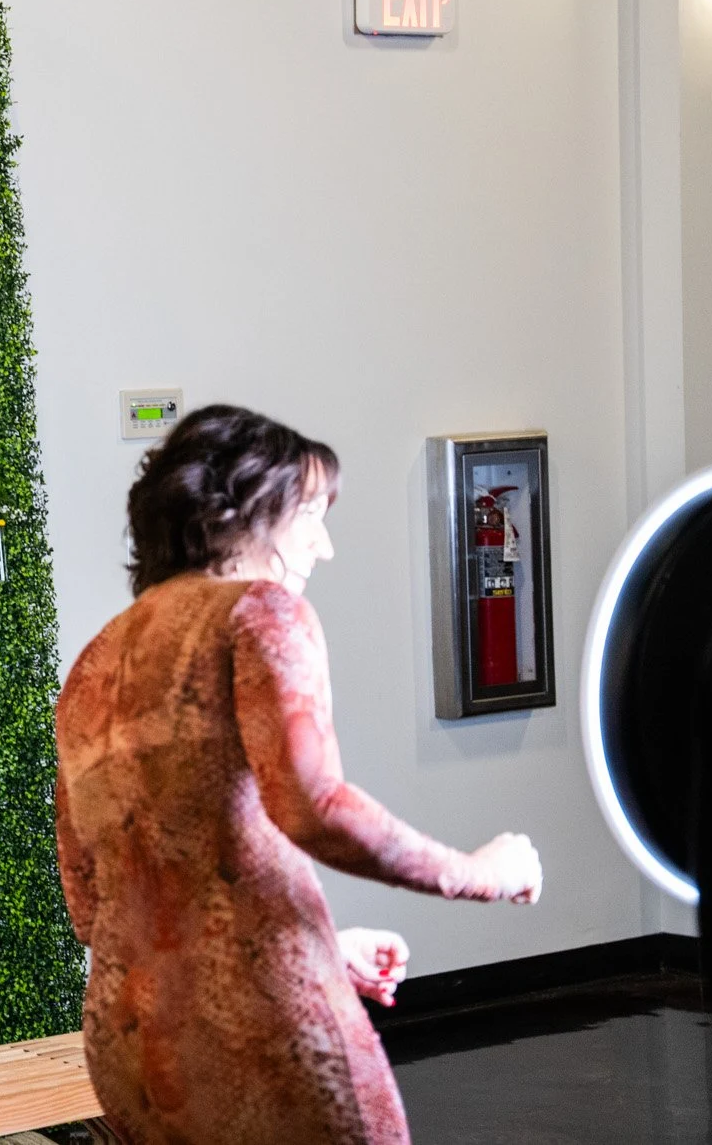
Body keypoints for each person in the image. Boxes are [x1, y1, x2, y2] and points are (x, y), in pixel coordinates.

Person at [53, 405, 543, 1145]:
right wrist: (481, 872)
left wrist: (318, 945)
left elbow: (92, 902)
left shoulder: (94, 662)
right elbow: (313, 807)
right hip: (258, 1030)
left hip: (132, 1041)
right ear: (244, 509)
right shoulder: (261, 612)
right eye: (311, 514)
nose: (325, 545)